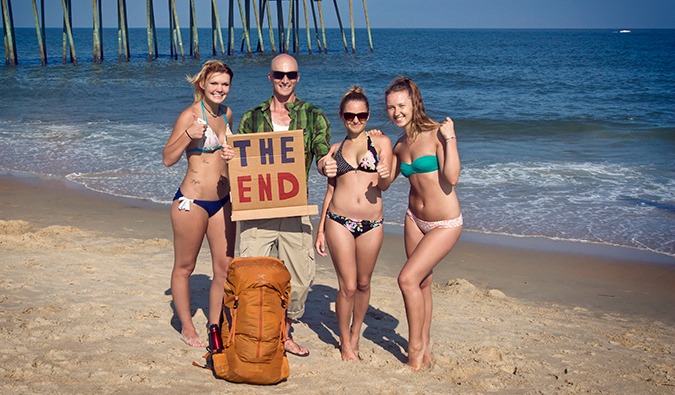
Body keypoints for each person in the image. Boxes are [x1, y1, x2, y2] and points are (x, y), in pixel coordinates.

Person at [237, 54, 331, 357]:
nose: (285, 79)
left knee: (300, 279)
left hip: (294, 208)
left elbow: (321, 153)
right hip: (257, 210)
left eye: (290, 74)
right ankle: (258, 335)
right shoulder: (251, 118)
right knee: (251, 275)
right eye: (279, 74)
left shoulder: (314, 115)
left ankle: (285, 332)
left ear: (298, 77)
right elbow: (241, 163)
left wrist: (327, 164)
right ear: (270, 77)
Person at [384, 76, 462, 371]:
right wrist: (378, 148)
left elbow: (452, 177)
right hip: (414, 220)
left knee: (406, 280)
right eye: (391, 107)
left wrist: (451, 136)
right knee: (422, 282)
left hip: (445, 222)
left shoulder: (437, 133)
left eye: (401, 105)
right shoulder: (400, 144)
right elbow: (385, 183)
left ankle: (414, 348)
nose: (396, 112)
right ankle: (425, 347)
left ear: (414, 103)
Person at [314, 86, 392, 361]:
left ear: (368, 115)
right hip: (339, 221)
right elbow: (330, 192)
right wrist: (321, 229)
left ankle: (356, 333)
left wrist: (384, 174)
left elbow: (386, 183)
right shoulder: (335, 150)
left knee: (363, 282)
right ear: (342, 116)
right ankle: (345, 342)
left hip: (372, 222)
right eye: (350, 116)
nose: (356, 120)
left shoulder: (381, 143)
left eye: (361, 115)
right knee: (346, 285)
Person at [162, 60, 236, 348]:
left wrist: (233, 155)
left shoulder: (227, 113)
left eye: (225, 84)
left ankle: (214, 325)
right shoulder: (190, 115)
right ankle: (187, 326)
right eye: (214, 83)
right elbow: (168, 158)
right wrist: (187, 136)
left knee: (224, 267)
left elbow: (230, 156)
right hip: (191, 203)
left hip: (222, 201)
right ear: (202, 84)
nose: (220, 89)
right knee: (185, 266)